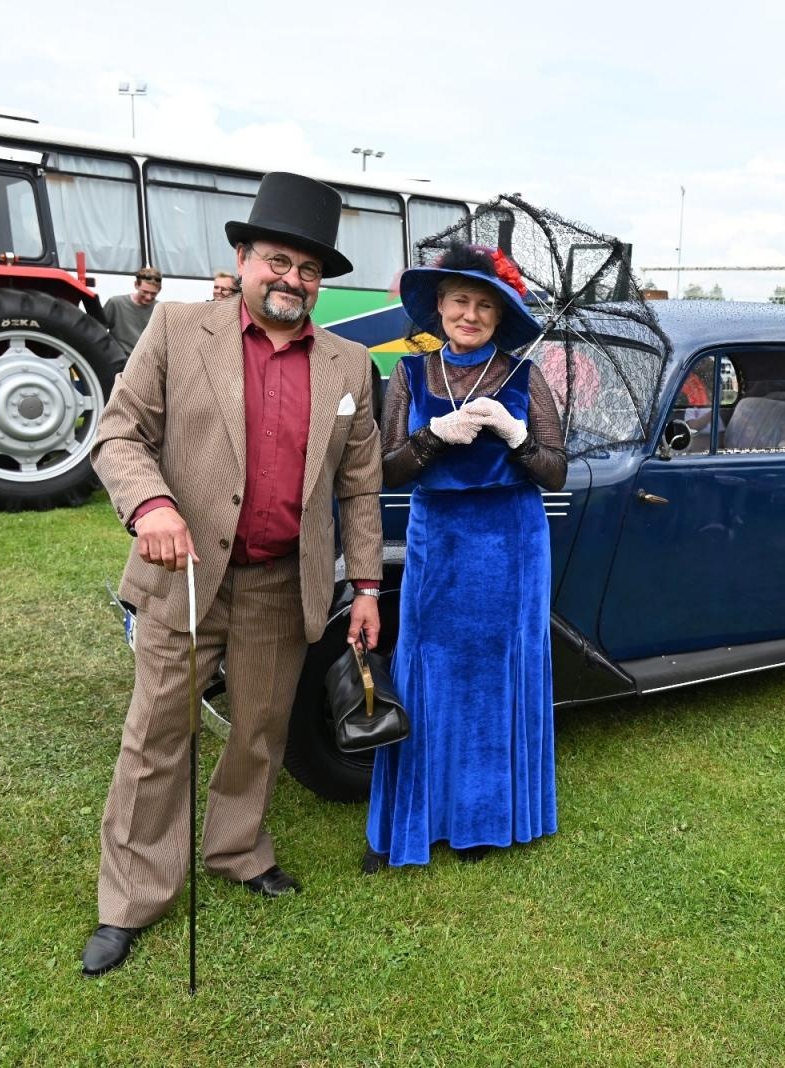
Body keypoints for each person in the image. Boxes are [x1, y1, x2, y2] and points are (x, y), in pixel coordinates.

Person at [79, 173, 385, 977]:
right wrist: (150, 508)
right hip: (183, 576)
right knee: (156, 737)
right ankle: (132, 899)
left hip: (284, 583)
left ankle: (239, 851)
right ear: (244, 258)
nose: (293, 280)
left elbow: (359, 488)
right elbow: (117, 436)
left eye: (309, 270)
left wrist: (369, 587)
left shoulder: (350, 364)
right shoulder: (178, 331)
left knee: (259, 729)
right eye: (279, 261)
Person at [363, 243, 565, 871]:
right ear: (440, 308)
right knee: (429, 668)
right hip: (439, 541)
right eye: (459, 301)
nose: (470, 314)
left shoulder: (525, 376)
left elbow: (555, 472)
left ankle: (485, 818)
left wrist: (515, 433)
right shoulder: (409, 374)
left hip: (511, 542)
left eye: (484, 305)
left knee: (497, 672)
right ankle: (418, 818)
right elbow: (387, 469)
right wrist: (433, 436)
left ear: (500, 316)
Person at [102, 266, 162, 357]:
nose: (148, 297)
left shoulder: (160, 309)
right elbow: (99, 329)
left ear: (159, 290)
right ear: (136, 285)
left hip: (147, 361)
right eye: (145, 292)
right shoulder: (116, 303)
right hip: (119, 360)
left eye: (153, 293)